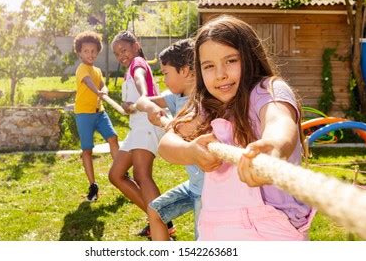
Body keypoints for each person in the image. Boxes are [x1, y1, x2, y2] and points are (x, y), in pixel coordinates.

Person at [158, 15, 315, 241]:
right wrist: (190, 150)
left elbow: (279, 120)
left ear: (250, 58)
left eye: (231, 60)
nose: (220, 73)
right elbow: (167, 143)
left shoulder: (267, 90)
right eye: (209, 66)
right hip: (218, 224)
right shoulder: (207, 106)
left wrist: (273, 148)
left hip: (272, 228)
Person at [135, 39, 203, 240]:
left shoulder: (205, 102)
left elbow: (183, 134)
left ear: (185, 71)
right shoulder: (176, 97)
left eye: (166, 73)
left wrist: (166, 121)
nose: (163, 79)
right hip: (194, 185)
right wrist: (152, 108)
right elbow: (141, 101)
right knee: (155, 212)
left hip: (209, 192)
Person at [109, 31, 173, 236]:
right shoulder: (129, 70)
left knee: (141, 175)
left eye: (124, 49)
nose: (121, 55)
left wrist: (144, 96)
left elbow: (139, 79)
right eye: (117, 53)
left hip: (148, 124)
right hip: (137, 127)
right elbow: (133, 100)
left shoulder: (138, 63)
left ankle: (162, 224)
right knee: (116, 175)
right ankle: (162, 221)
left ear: (136, 46)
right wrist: (130, 105)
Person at [73, 31, 119, 202]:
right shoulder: (81, 69)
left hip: (99, 112)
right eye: (86, 51)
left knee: (113, 138)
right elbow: (88, 82)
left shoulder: (97, 70)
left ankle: (121, 171)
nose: (90, 54)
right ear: (79, 52)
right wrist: (98, 91)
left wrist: (104, 91)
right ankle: (93, 185)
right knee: (87, 149)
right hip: (84, 114)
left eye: (93, 51)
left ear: (97, 52)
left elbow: (101, 84)